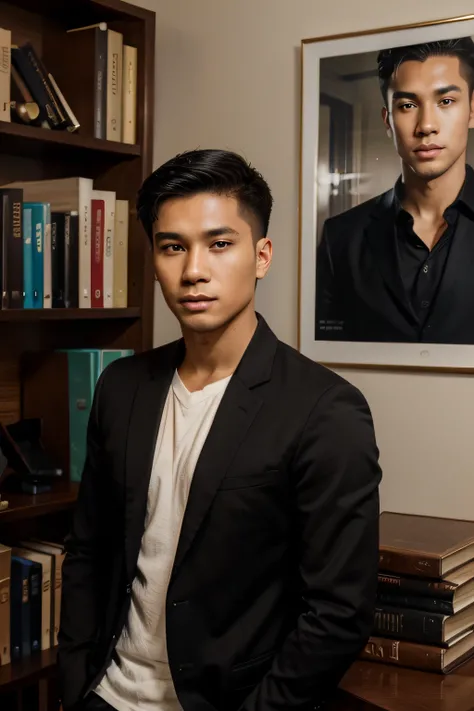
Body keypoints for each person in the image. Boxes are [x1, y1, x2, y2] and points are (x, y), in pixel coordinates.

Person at [58, 149, 381, 711]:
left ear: (262, 256)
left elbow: (338, 614)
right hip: (103, 695)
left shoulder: (325, 411)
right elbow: (90, 549)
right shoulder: (121, 386)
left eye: (220, 243)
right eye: (172, 247)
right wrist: (73, 681)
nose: (193, 271)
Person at [316, 38, 474, 344]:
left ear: (472, 110)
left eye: (446, 101)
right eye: (408, 105)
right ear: (388, 121)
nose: (426, 125)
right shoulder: (341, 237)